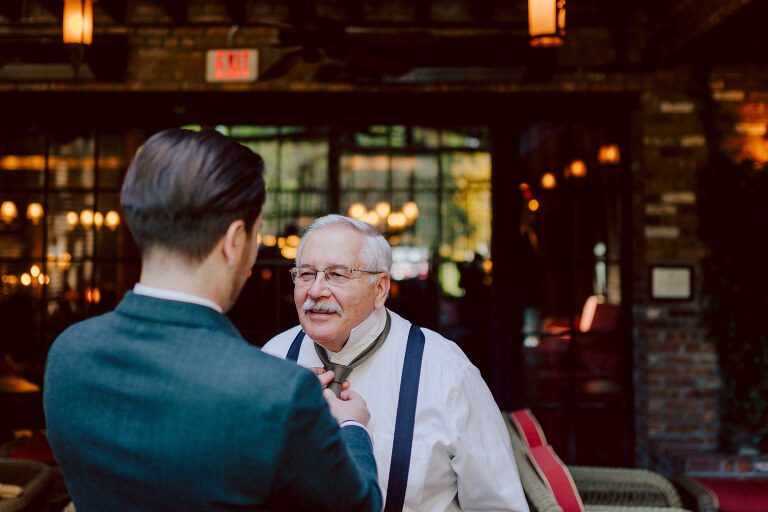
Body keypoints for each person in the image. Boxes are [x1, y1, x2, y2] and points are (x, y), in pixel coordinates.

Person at [43, 129, 381, 512]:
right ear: (235, 239)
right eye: (257, 234)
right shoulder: (277, 392)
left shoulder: (68, 353)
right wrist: (351, 427)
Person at [262, 214, 529, 512]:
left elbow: (499, 507)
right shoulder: (274, 359)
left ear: (380, 290)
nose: (315, 290)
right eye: (307, 274)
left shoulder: (445, 372)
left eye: (337, 274)